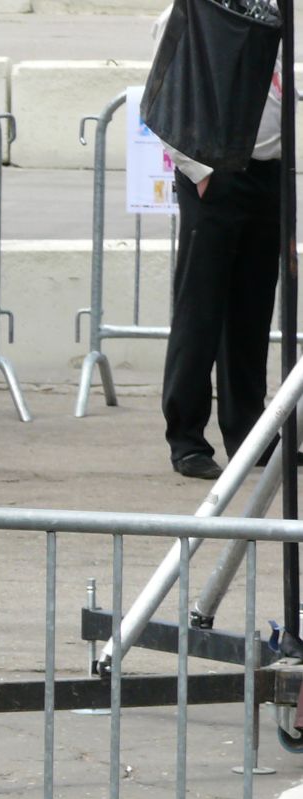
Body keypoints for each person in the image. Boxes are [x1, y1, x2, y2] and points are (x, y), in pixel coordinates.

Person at [153, 2, 283, 482]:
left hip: (270, 173)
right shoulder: (192, 9)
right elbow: (169, 92)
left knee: (251, 311)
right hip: (215, 172)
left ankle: (249, 434)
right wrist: (200, 172)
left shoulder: (280, 10)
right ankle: (186, 438)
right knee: (200, 310)